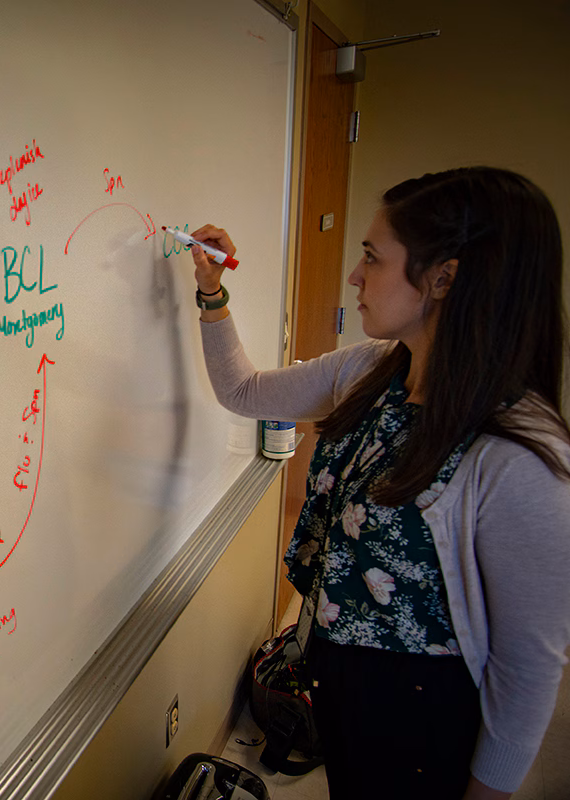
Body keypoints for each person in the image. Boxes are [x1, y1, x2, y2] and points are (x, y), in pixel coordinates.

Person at [188, 166, 570, 800]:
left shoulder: (517, 456)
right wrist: (211, 292)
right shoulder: (373, 370)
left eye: (372, 257)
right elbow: (245, 391)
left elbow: (528, 666)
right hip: (341, 678)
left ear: (444, 278)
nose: (355, 277)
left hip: (424, 714)